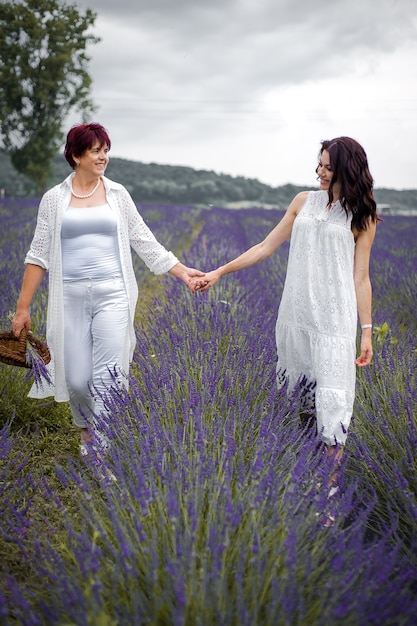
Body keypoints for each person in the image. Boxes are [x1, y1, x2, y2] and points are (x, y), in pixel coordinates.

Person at [191, 136, 378, 476]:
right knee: (302, 402)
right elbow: (264, 247)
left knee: (333, 404)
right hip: (297, 316)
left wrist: (366, 332)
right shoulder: (303, 202)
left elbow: (361, 276)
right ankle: (305, 476)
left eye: (328, 167)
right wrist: (220, 271)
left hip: (334, 322)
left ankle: (330, 492)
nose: (319, 172)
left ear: (346, 171)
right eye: (319, 164)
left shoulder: (362, 215)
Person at [12, 122, 203, 454]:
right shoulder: (54, 200)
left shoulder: (117, 195)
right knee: (76, 379)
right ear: (75, 155)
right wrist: (22, 307)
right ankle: (86, 431)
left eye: (105, 151)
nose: (103, 157)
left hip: (112, 294)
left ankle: (100, 449)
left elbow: (145, 242)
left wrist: (183, 272)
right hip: (69, 299)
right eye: (95, 151)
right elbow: (38, 255)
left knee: (109, 375)